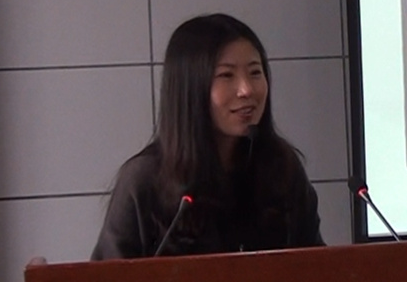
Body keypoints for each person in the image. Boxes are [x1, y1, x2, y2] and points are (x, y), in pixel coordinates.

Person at [91, 13, 323, 259]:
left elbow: (318, 267)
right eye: (226, 75)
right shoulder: (144, 180)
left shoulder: (281, 167)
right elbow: (107, 279)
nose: (246, 90)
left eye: (255, 72)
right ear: (190, 88)